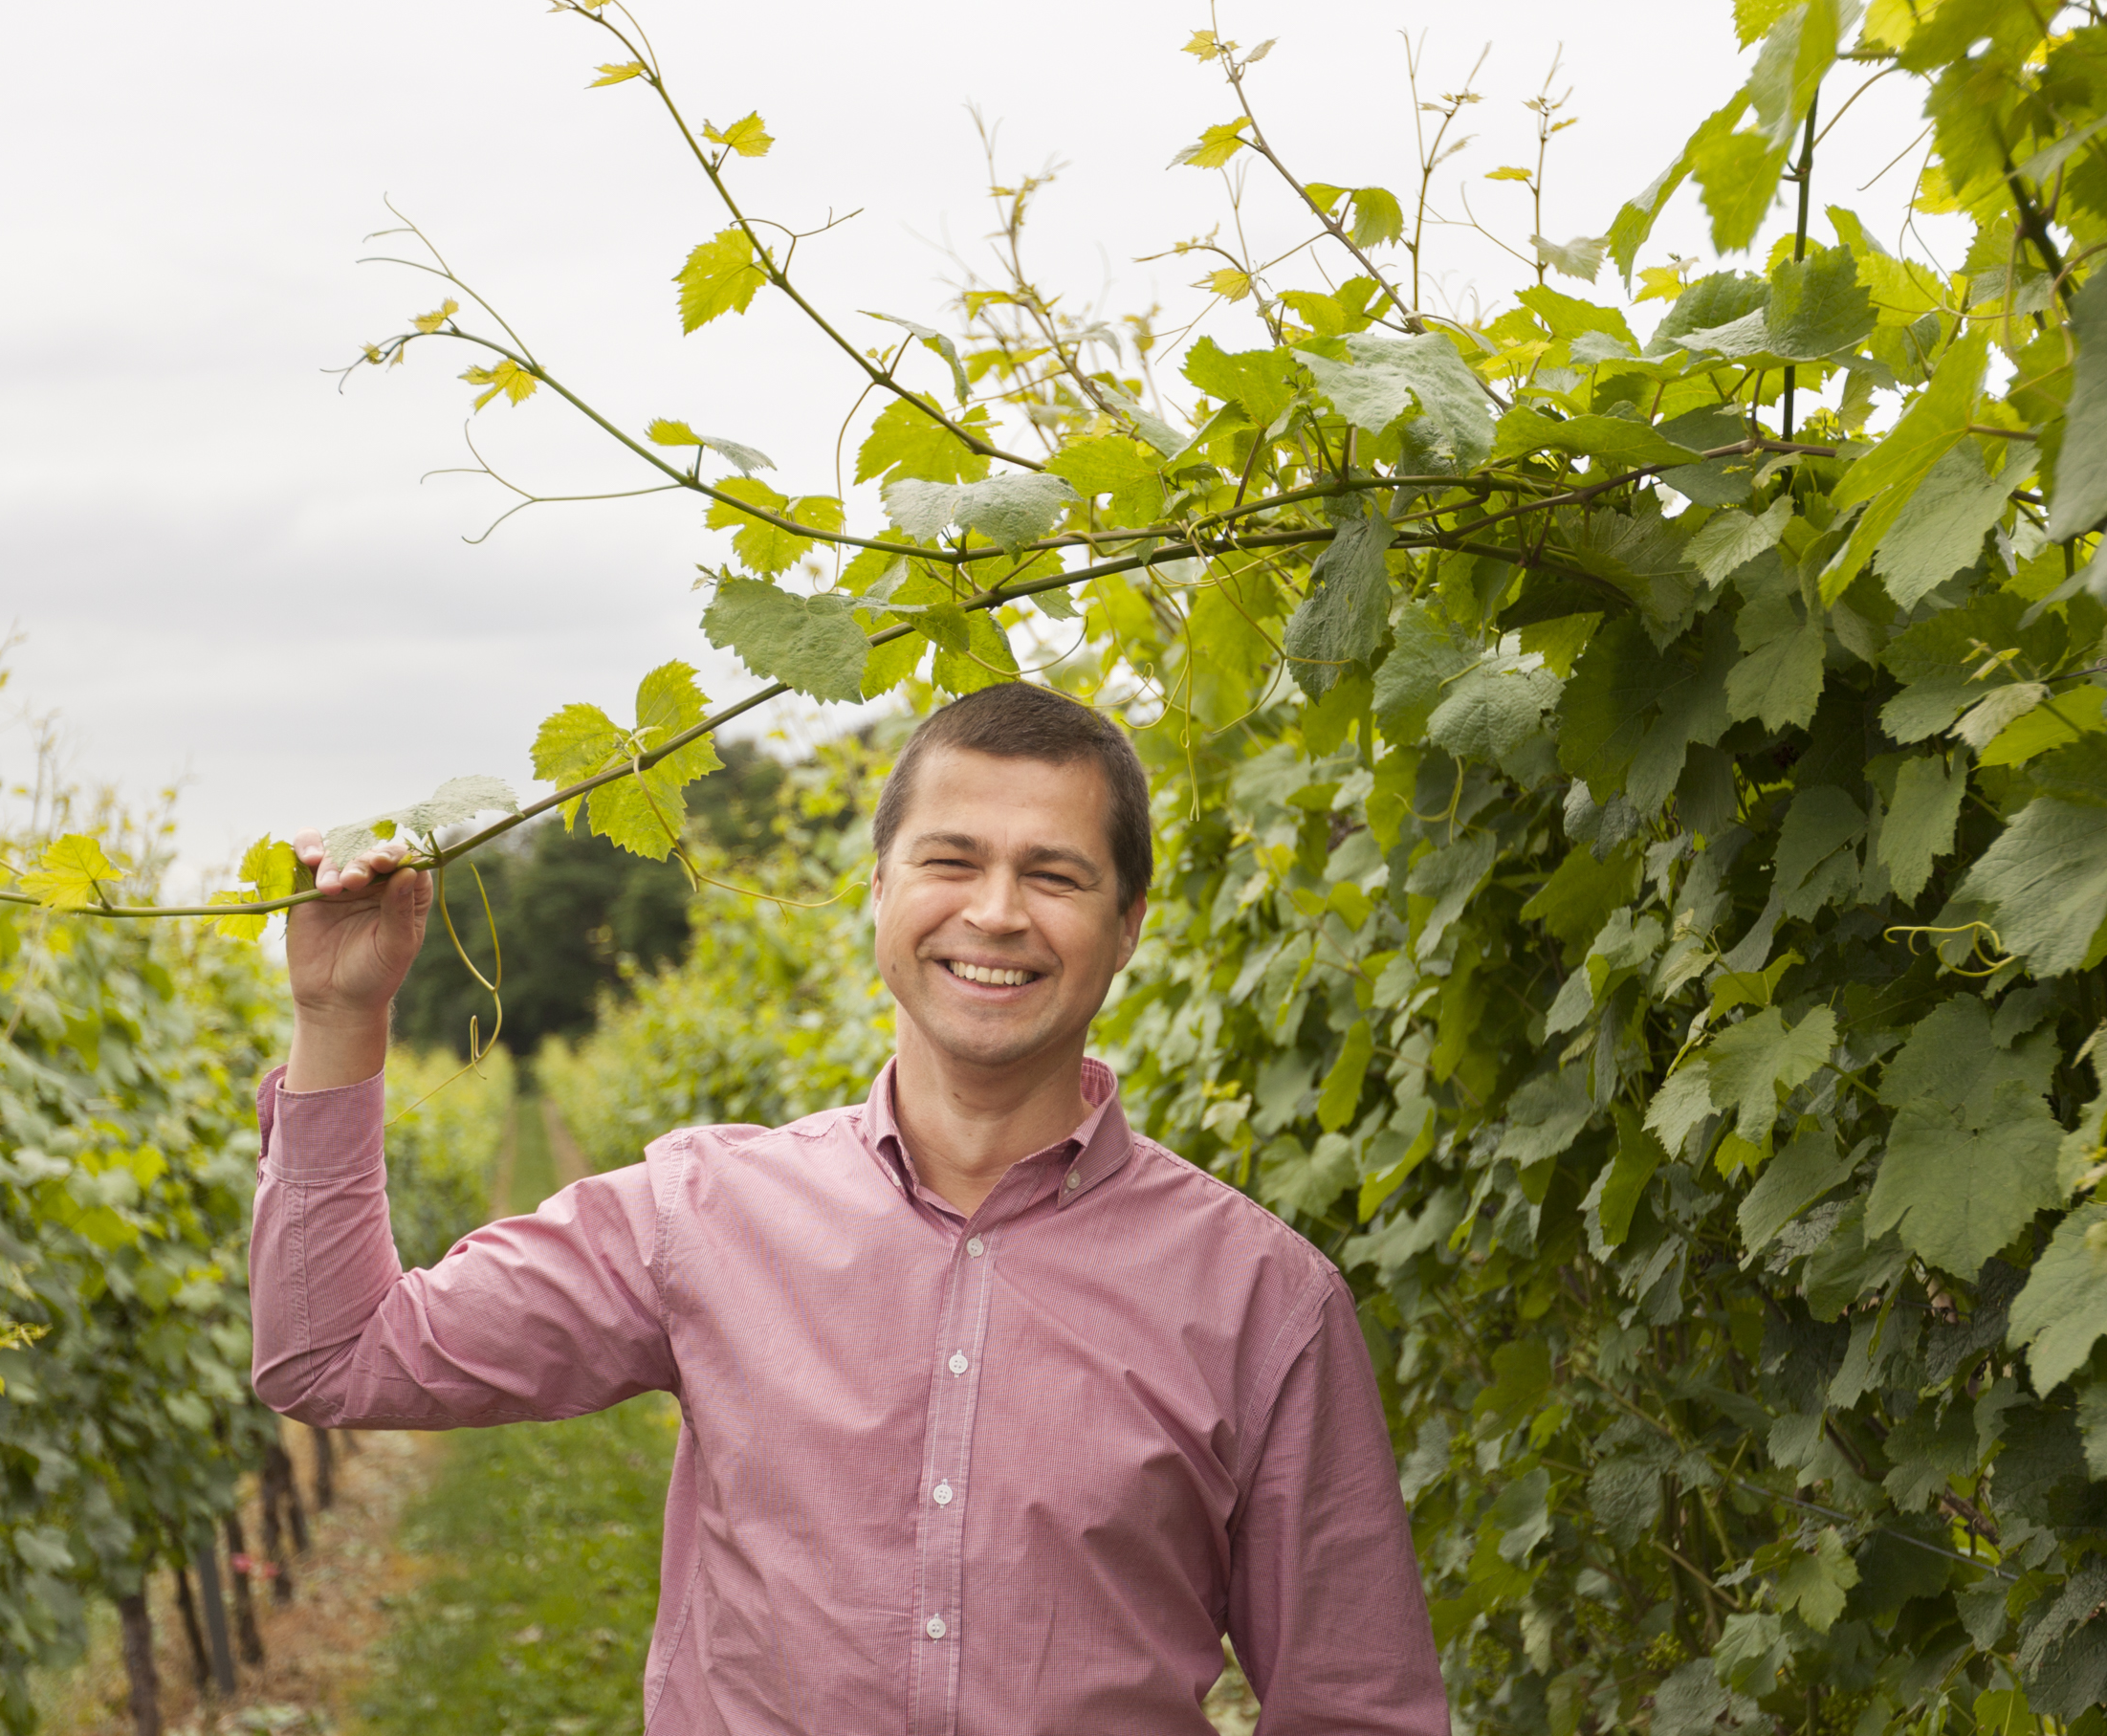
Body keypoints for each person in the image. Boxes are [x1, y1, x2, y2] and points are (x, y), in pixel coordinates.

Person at [249, 682, 1448, 1733]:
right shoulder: (702, 1212)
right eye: (951, 859)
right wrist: (337, 1021)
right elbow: (338, 1356)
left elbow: (1355, 1705)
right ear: (878, 890)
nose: (995, 911)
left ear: (1127, 926)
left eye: (1055, 873)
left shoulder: (1264, 1296)